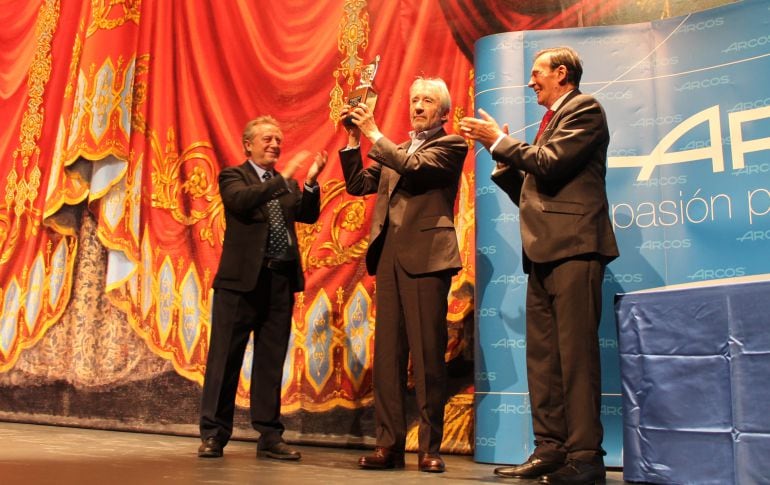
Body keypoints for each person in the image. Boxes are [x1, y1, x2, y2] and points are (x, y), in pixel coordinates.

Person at [460, 46, 619, 485]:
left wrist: (499, 140)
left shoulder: (585, 109)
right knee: (545, 360)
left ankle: (585, 458)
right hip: (544, 251)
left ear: (561, 73)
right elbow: (535, 193)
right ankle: (551, 449)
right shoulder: (550, 123)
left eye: (537, 73)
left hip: (575, 249)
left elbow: (548, 165)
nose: (531, 81)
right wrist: (503, 159)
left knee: (576, 358)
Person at [338, 77, 467, 473]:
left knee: (428, 355)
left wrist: (375, 133)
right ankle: (388, 446)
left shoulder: (450, 145)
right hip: (390, 255)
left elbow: (414, 167)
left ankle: (430, 448)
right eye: (414, 100)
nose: (418, 106)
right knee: (389, 355)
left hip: (428, 256)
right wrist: (352, 140)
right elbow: (360, 183)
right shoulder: (396, 148)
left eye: (427, 100)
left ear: (443, 111)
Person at [198, 115, 327, 460]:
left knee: (271, 362)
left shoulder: (284, 185)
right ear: (248, 145)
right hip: (239, 285)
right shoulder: (233, 177)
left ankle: (270, 436)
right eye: (267, 139)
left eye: (278, 140)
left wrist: (310, 182)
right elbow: (242, 202)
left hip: (279, 281)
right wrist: (283, 179)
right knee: (224, 359)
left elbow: (307, 214)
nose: (274, 145)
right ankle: (214, 434)